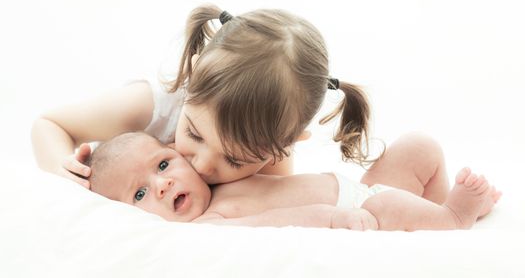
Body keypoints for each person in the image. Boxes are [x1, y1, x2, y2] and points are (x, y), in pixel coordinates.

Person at [31, 4, 446, 205]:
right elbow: (48, 124)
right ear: (193, 76)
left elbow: (273, 200)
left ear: (280, 146)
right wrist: (62, 168)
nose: (205, 164)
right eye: (194, 133)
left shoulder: (272, 159)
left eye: (234, 159)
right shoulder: (149, 107)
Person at [85, 132, 501, 231]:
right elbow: (278, 222)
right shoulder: (209, 224)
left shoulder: (215, 176)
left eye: (163, 165)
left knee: (418, 148)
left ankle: (434, 206)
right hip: (360, 213)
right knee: (385, 208)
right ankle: (453, 218)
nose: (160, 185)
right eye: (139, 194)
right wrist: (331, 219)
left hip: (359, 187)